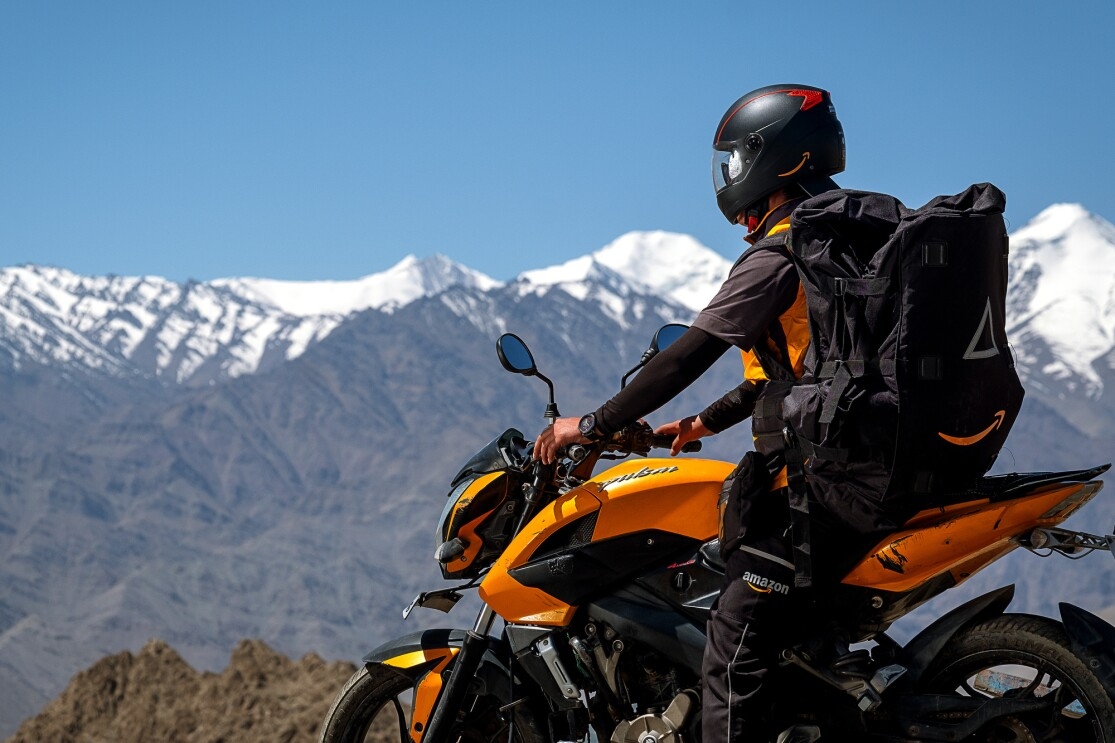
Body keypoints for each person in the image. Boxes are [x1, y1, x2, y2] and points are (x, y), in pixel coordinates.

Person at [534, 84, 880, 742]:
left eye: (730, 162)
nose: (725, 179)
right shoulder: (850, 232)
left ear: (764, 157)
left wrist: (594, 423)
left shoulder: (783, 248)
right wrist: (700, 425)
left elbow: (689, 352)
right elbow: (792, 368)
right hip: (882, 456)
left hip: (833, 479)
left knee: (731, 639)